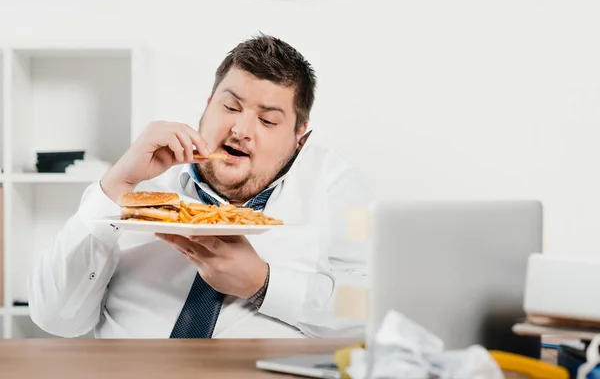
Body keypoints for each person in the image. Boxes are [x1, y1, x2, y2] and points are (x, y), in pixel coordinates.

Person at [28, 34, 373, 339]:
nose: (241, 129)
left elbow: (368, 308)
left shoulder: (335, 185)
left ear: (301, 137)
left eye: (267, 120)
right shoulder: (142, 178)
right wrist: (115, 185)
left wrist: (264, 284)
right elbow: (56, 319)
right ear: (207, 107)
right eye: (230, 107)